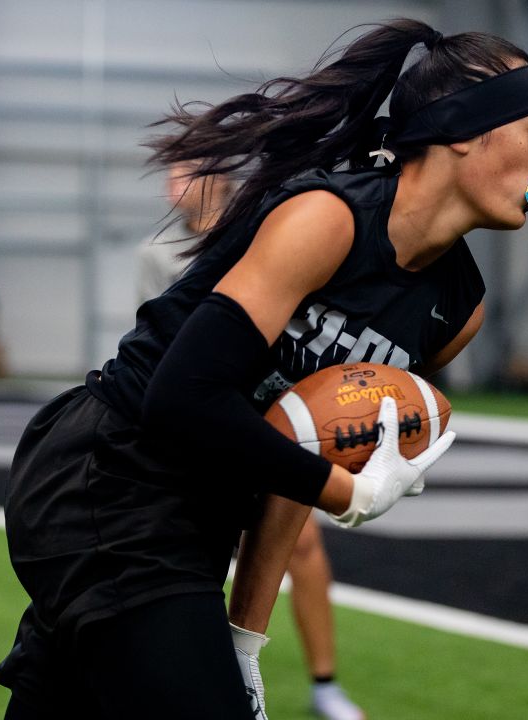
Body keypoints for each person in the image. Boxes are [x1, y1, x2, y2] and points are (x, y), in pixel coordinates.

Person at [0, 20, 528, 719]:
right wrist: (343, 493)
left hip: (193, 513)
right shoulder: (330, 219)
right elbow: (183, 397)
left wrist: (245, 640)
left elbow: (305, 440)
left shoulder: (456, 308)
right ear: (465, 130)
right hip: (110, 474)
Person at [138, 163, 365, 720]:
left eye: (185, 173)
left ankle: (324, 684)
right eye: (171, 176)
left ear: (220, 178)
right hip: (198, 415)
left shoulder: (264, 227)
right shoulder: (156, 252)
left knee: (303, 547)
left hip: (264, 410)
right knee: (184, 551)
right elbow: (157, 338)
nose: (173, 188)